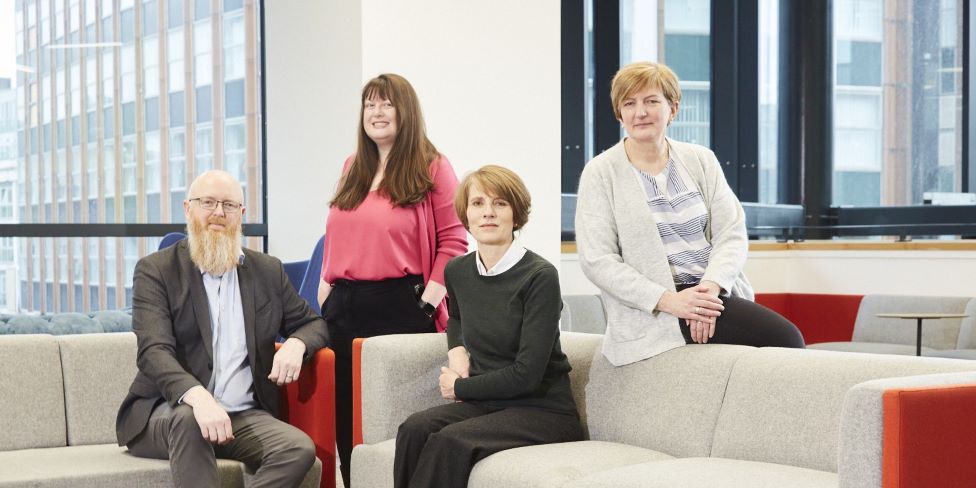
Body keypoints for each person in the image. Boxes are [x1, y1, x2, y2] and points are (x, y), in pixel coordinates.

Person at [575, 61, 805, 367]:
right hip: (654, 307)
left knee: (786, 342)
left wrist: (708, 293)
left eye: (651, 101)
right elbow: (598, 260)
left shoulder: (700, 160)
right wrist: (670, 301)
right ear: (619, 113)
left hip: (714, 292)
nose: (640, 112)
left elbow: (731, 233)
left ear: (673, 109)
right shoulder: (600, 172)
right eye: (629, 104)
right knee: (787, 339)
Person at [116, 170, 329, 487]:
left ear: (241, 214)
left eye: (228, 205)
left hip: (241, 416)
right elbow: (153, 351)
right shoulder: (156, 270)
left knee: (297, 449)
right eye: (208, 203)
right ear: (188, 209)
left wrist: (297, 343)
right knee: (190, 419)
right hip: (168, 411)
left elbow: (314, 323)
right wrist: (199, 399)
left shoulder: (267, 271)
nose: (218, 212)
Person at [318, 73, 468, 486]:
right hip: (344, 306)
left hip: (402, 304)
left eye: (387, 104)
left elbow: (454, 241)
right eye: (370, 104)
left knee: (395, 418)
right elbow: (337, 233)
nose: (377, 112)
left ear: (406, 111)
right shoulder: (353, 166)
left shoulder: (432, 165)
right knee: (347, 418)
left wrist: (427, 302)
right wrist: (326, 290)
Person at [393, 165, 584, 488]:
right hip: (489, 404)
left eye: (500, 203)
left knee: (449, 442)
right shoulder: (457, 270)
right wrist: (456, 349)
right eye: (478, 203)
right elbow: (456, 316)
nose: (488, 213)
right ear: (465, 215)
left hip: (543, 410)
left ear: (516, 215)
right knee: (413, 429)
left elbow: (527, 374)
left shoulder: (540, 276)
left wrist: (459, 388)